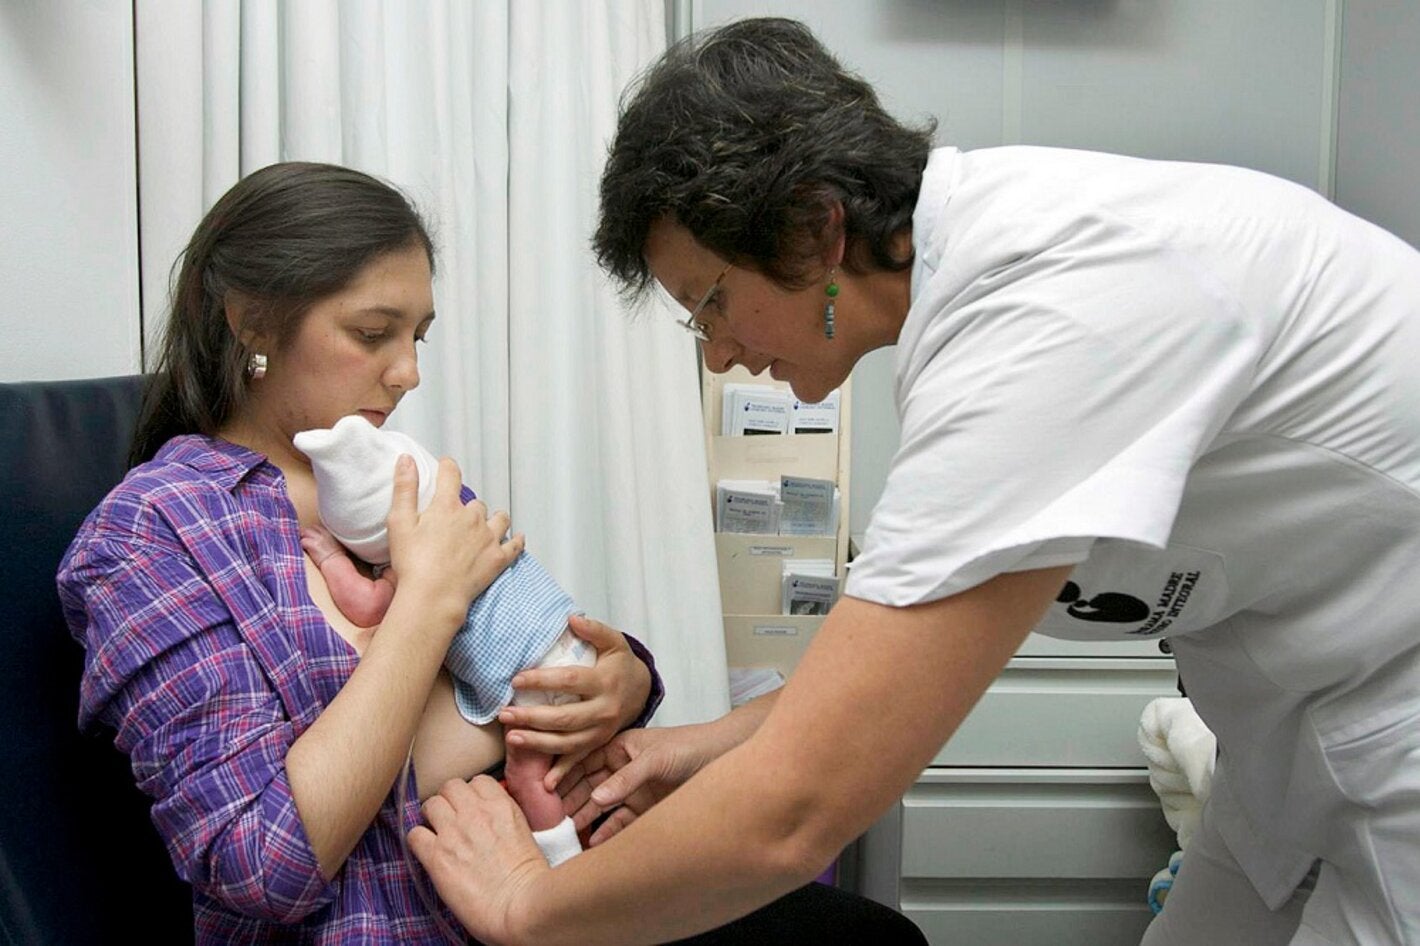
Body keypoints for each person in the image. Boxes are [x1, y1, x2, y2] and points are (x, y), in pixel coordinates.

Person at [406, 15, 1420, 946]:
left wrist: (523, 903)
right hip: (1289, 745)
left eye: (711, 302)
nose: (715, 354)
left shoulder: (1047, 317)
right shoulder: (981, 287)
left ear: (812, 228)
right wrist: (697, 747)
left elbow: (796, 813)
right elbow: (897, 666)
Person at [56, 161, 663, 943]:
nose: (408, 372)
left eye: (418, 336)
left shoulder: (398, 481)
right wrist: (427, 610)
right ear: (252, 322)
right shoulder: (155, 532)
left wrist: (627, 679)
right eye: (373, 334)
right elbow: (262, 862)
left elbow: (529, 641)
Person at [294, 412, 596, 867]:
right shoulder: (473, 531)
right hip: (576, 645)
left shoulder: (415, 565)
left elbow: (366, 606)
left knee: (531, 780)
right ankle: (596, 850)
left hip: (536, 686)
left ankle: (566, 862)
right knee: (579, 771)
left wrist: (330, 555)